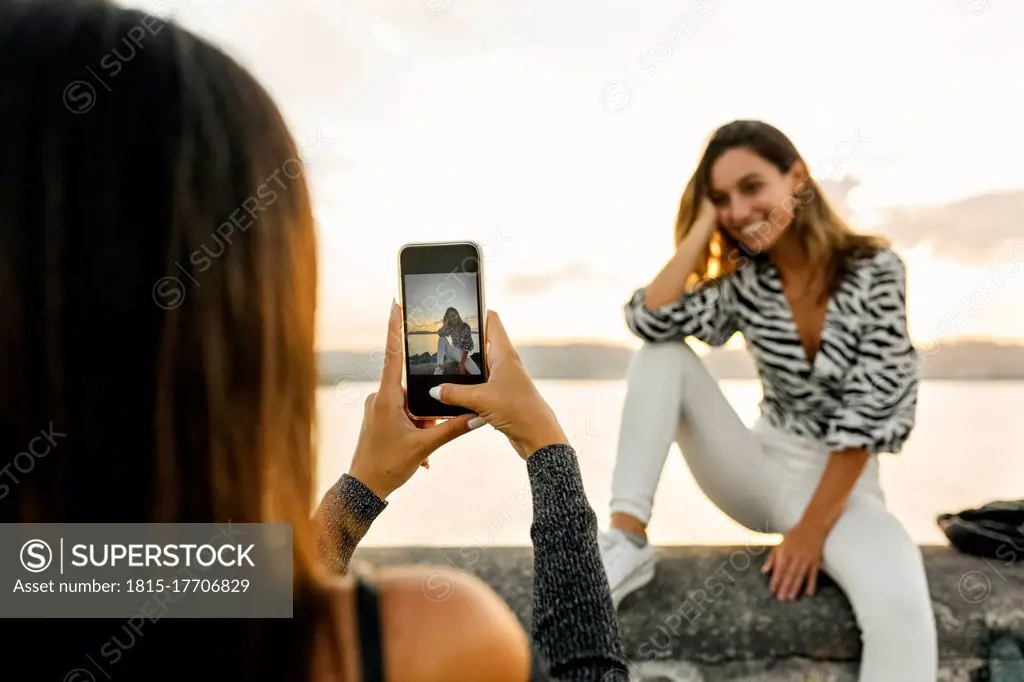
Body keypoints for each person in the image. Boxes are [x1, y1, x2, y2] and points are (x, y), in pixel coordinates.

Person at [0, 2, 628, 681]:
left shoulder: (47, 579)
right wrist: (546, 445)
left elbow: (116, 580)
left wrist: (365, 480)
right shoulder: (427, 642)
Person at [597, 120, 938, 681]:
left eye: (752, 187)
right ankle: (627, 539)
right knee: (663, 355)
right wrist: (704, 223)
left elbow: (872, 409)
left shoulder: (876, 271)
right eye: (722, 197)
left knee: (901, 612)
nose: (738, 209)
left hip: (846, 490)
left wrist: (809, 531)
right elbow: (648, 318)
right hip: (760, 471)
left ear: (796, 178)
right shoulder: (746, 281)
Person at [435, 306, 481, 375]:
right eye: (449, 317)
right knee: (442, 338)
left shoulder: (465, 327)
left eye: (453, 315)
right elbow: (439, 333)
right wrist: (444, 325)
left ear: (457, 315)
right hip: (452, 352)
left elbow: (467, 347)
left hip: (462, 354)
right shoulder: (450, 327)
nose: (452, 319)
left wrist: (462, 363)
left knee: (477, 372)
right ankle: (440, 366)